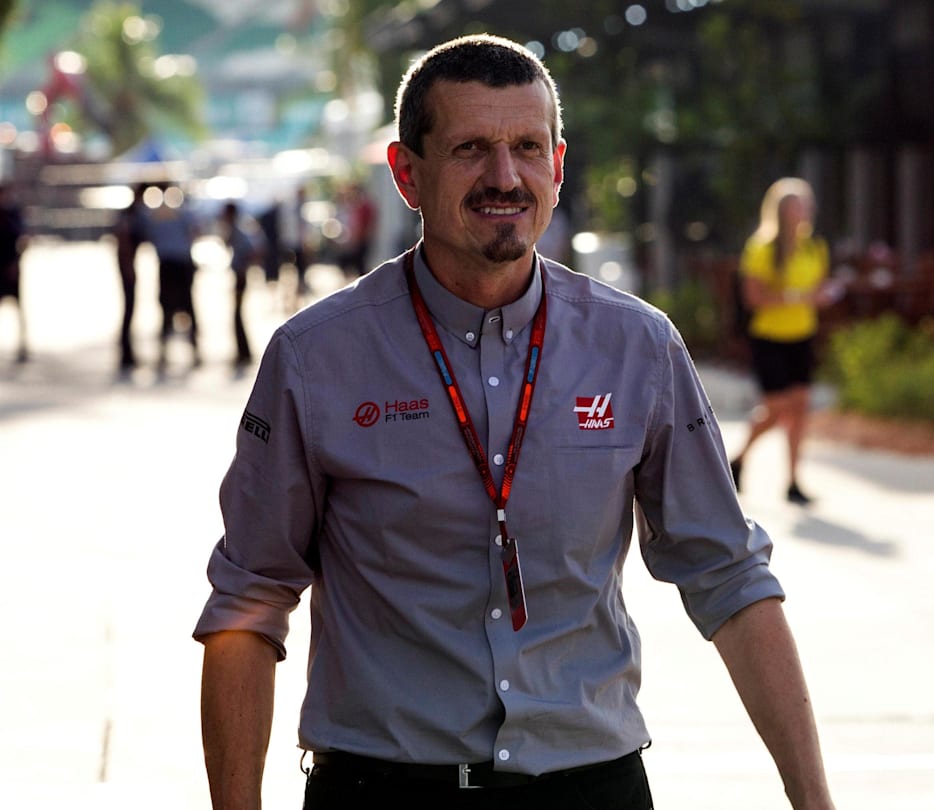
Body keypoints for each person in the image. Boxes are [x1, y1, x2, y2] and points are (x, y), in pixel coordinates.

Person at [195, 34, 834, 810]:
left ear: (558, 166)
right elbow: (249, 602)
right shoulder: (315, 358)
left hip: (592, 787)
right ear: (407, 174)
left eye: (528, 147)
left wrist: (815, 804)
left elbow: (730, 576)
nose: (505, 177)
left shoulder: (638, 347)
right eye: (470, 149)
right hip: (383, 788)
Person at [727, 178, 841, 506]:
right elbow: (753, 297)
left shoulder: (815, 246)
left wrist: (821, 296)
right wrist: (796, 297)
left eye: (805, 205)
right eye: (795, 206)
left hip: (802, 334)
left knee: (800, 406)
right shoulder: (761, 248)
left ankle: (792, 480)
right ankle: (738, 458)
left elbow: (818, 289)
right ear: (781, 211)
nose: (802, 212)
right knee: (777, 407)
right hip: (769, 336)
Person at [143, 182, 202, 371]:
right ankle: (194, 350)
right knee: (187, 307)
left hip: (167, 264)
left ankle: (164, 353)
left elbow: (149, 236)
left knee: (167, 308)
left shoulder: (156, 215)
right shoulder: (184, 213)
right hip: (180, 263)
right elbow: (195, 232)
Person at [219, 201, 264, 369]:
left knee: (237, 315)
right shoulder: (235, 229)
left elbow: (253, 250)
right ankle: (242, 352)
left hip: (240, 277)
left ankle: (244, 353)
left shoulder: (238, 230)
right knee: (236, 315)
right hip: (239, 275)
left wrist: (244, 270)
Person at [114, 184, 146, 373]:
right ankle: (126, 353)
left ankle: (127, 351)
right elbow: (123, 239)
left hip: (127, 264)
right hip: (126, 266)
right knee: (129, 309)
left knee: (129, 309)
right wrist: (128, 268)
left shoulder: (132, 214)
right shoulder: (130, 215)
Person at [0, 183, 28, 364]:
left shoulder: (13, 214)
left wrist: (15, 262)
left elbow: (23, 239)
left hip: (12, 267)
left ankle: (23, 345)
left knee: (18, 308)